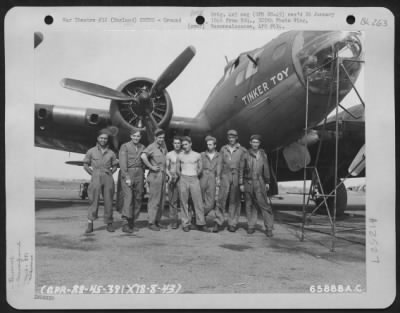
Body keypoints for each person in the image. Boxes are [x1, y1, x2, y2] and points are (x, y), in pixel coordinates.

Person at [83, 129, 118, 233]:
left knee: (109, 201)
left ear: (107, 140)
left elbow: (115, 166)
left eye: (105, 138)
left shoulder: (111, 153)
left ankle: (109, 223)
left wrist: (110, 173)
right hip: (96, 176)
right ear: (98, 139)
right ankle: (90, 224)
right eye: (101, 138)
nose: (103, 140)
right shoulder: (91, 151)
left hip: (108, 176)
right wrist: (93, 174)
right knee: (93, 200)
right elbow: (85, 165)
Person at [239, 134, 274, 237]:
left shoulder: (263, 155)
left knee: (264, 205)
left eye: (257, 142)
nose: (255, 144)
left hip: (260, 182)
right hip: (248, 182)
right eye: (253, 142)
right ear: (250, 143)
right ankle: (251, 225)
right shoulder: (245, 154)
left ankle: (269, 228)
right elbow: (241, 169)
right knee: (250, 205)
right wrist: (241, 183)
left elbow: (266, 168)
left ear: (259, 144)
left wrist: (267, 181)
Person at [215, 129, 247, 232]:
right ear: (227, 138)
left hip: (236, 176)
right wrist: (218, 177)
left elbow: (243, 166)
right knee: (221, 199)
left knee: (235, 201)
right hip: (225, 175)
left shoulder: (242, 150)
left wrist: (241, 181)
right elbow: (219, 163)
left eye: (233, 137)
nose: (231, 139)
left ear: (236, 138)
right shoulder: (223, 149)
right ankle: (218, 222)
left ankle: (232, 223)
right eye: (229, 137)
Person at [176, 136, 209, 232]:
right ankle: (185, 223)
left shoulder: (197, 155)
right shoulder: (180, 155)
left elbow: (200, 168)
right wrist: (182, 176)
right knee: (184, 202)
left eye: (186, 144)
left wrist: (195, 175)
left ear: (190, 144)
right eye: (183, 145)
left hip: (194, 179)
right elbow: (178, 169)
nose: (184, 146)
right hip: (183, 178)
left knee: (198, 202)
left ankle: (201, 223)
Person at [119, 130, 145, 233]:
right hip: (129, 172)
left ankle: (132, 222)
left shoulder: (142, 147)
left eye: (138, 136)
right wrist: (126, 177)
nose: (136, 138)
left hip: (139, 173)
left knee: (138, 198)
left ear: (140, 137)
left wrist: (143, 177)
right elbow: (122, 163)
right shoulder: (124, 146)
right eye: (134, 136)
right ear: (130, 136)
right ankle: (125, 223)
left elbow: (144, 161)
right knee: (128, 198)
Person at [141, 129, 168, 231]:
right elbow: (143, 156)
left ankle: (157, 221)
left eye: (163, 138)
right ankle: (151, 222)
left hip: (163, 176)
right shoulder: (152, 147)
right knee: (154, 200)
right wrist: (151, 167)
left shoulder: (163, 148)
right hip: (155, 176)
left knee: (161, 201)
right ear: (155, 138)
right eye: (159, 138)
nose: (161, 139)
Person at [200, 136, 224, 232]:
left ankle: (198, 217)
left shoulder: (219, 156)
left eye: (210, 144)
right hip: (202, 177)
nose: (208, 146)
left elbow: (219, 168)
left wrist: (218, 178)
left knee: (210, 202)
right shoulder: (202, 155)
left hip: (212, 178)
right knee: (200, 200)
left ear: (215, 145)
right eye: (207, 144)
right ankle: (200, 222)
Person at [166, 136, 182, 229]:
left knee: (184, 201)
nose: (177, 145)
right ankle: (174, 221)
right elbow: (166, 168)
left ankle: (185, 221)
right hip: (172, 178)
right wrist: (170, 176)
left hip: (182, 179)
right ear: (173, 144)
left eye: (178, 143)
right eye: (175, 143)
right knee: (173, 201)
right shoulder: (169, 154)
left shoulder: (184, 154)